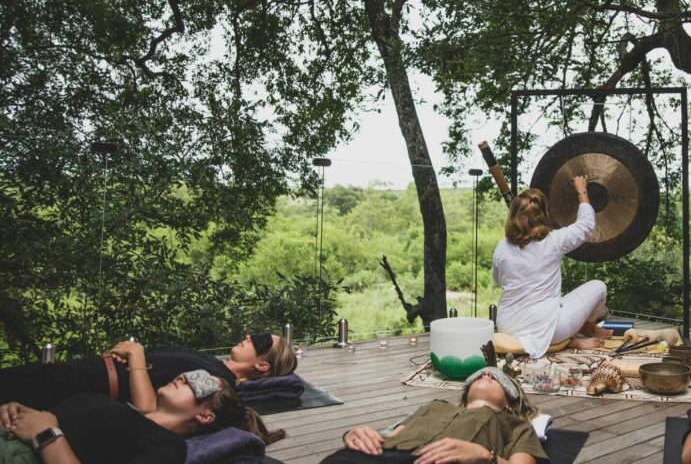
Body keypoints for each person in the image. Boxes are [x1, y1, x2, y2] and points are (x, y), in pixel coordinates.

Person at [0, 364, 285, 463]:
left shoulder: (167, 446)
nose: (185, 376)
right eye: (191, 374)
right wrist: (19, 412)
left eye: (202, 383)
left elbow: (50, 429)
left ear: (206, 416)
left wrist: (47, 435)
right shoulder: (129, 411)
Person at [0, 332, 297, 410]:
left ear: (261, 365)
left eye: (258, 341)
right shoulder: (214, 363)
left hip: (84, 387)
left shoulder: (219, 381)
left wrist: (137, 356)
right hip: (80, 372)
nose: (248, 337)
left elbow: (150, 408)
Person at [492, 175, 612, 358]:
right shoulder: (554, 241)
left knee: (555, 304)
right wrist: (581, 189)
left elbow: (500, 281)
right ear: (545, 214)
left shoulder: (502, 246)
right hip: (551, 327)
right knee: (599, 287)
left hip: (507, 327)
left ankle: (567, 341)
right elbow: (587, 225)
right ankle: (585, 330)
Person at [324, 366, 547, 463]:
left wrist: (484, 456)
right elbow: (394, 435)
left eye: (496, 377)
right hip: (374, 457)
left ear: (509, 403)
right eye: (479, 375)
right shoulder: (434, 406)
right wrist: (354, 435)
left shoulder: (517, 426)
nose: (486, 373)